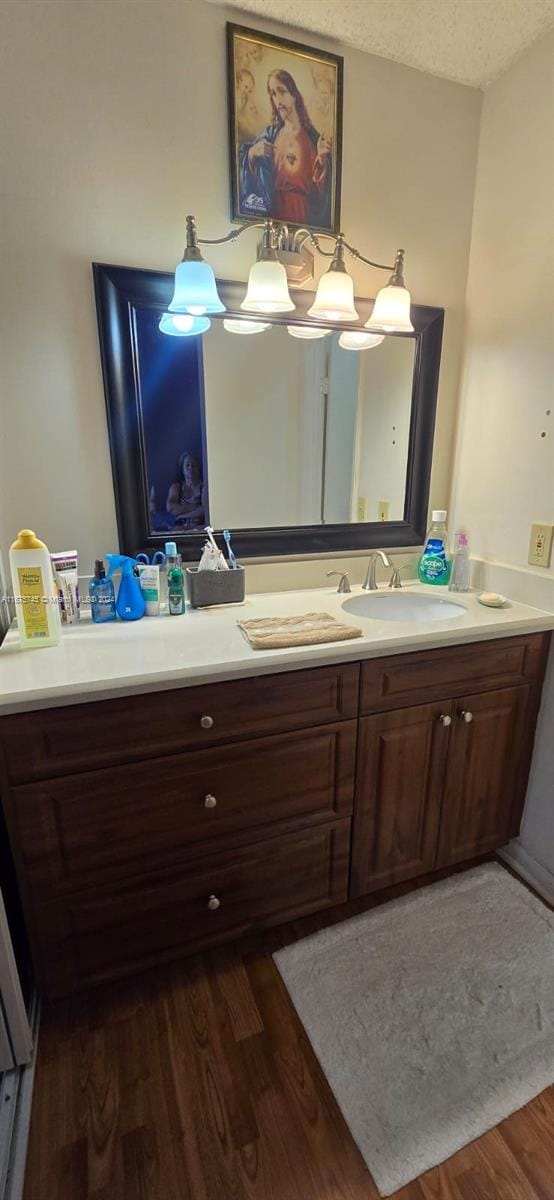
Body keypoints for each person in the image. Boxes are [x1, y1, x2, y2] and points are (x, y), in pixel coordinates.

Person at [239, 69, 332, 228]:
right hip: (273, 217)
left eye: (282, 91)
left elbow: (321, 196)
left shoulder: (312, 140)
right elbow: (249, 185)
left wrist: (322, 158)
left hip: (301, 216)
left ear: (294, 95)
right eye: (273, 94)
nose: (278, 100)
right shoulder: (270, 135)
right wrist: (253, 153)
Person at [166, 451, 205, 527]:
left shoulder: (204, 487)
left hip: (200, 527)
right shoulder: (176, 487)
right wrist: (194, 507)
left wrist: (182, 516)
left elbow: (204, 510)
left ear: (198, 468)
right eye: (187, 465)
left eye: (194, 465)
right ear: (183, 469)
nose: (190, 468)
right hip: (179, 528)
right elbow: (170, 508)